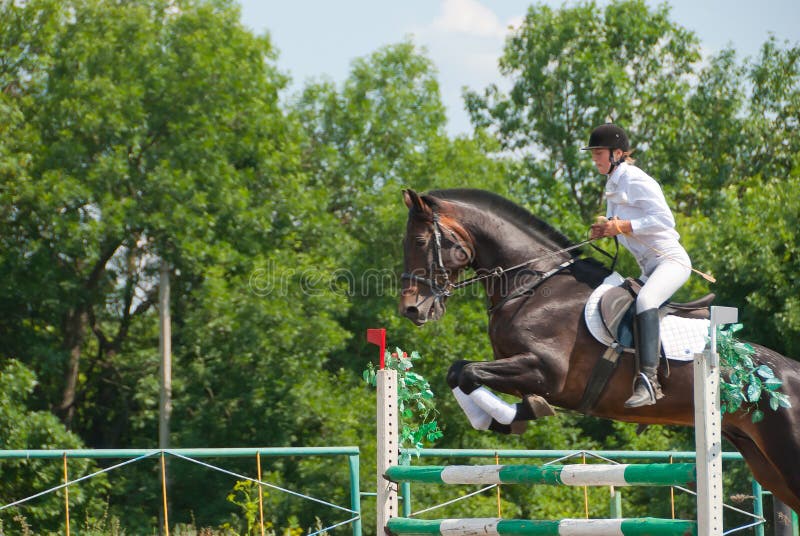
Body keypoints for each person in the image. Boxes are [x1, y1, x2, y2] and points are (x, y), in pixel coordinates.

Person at [584, 123, 691, 408]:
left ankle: (649, 381)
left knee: (646, 300)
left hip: (670, 260)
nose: (594, 159)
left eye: (598, 153)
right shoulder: (613, 183)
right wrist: (605, 229)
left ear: (617, 153)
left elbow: (665, 220)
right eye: (593, 153)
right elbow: (618, 225)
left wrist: (622, 225)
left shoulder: (634, 178)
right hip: (648, 268)